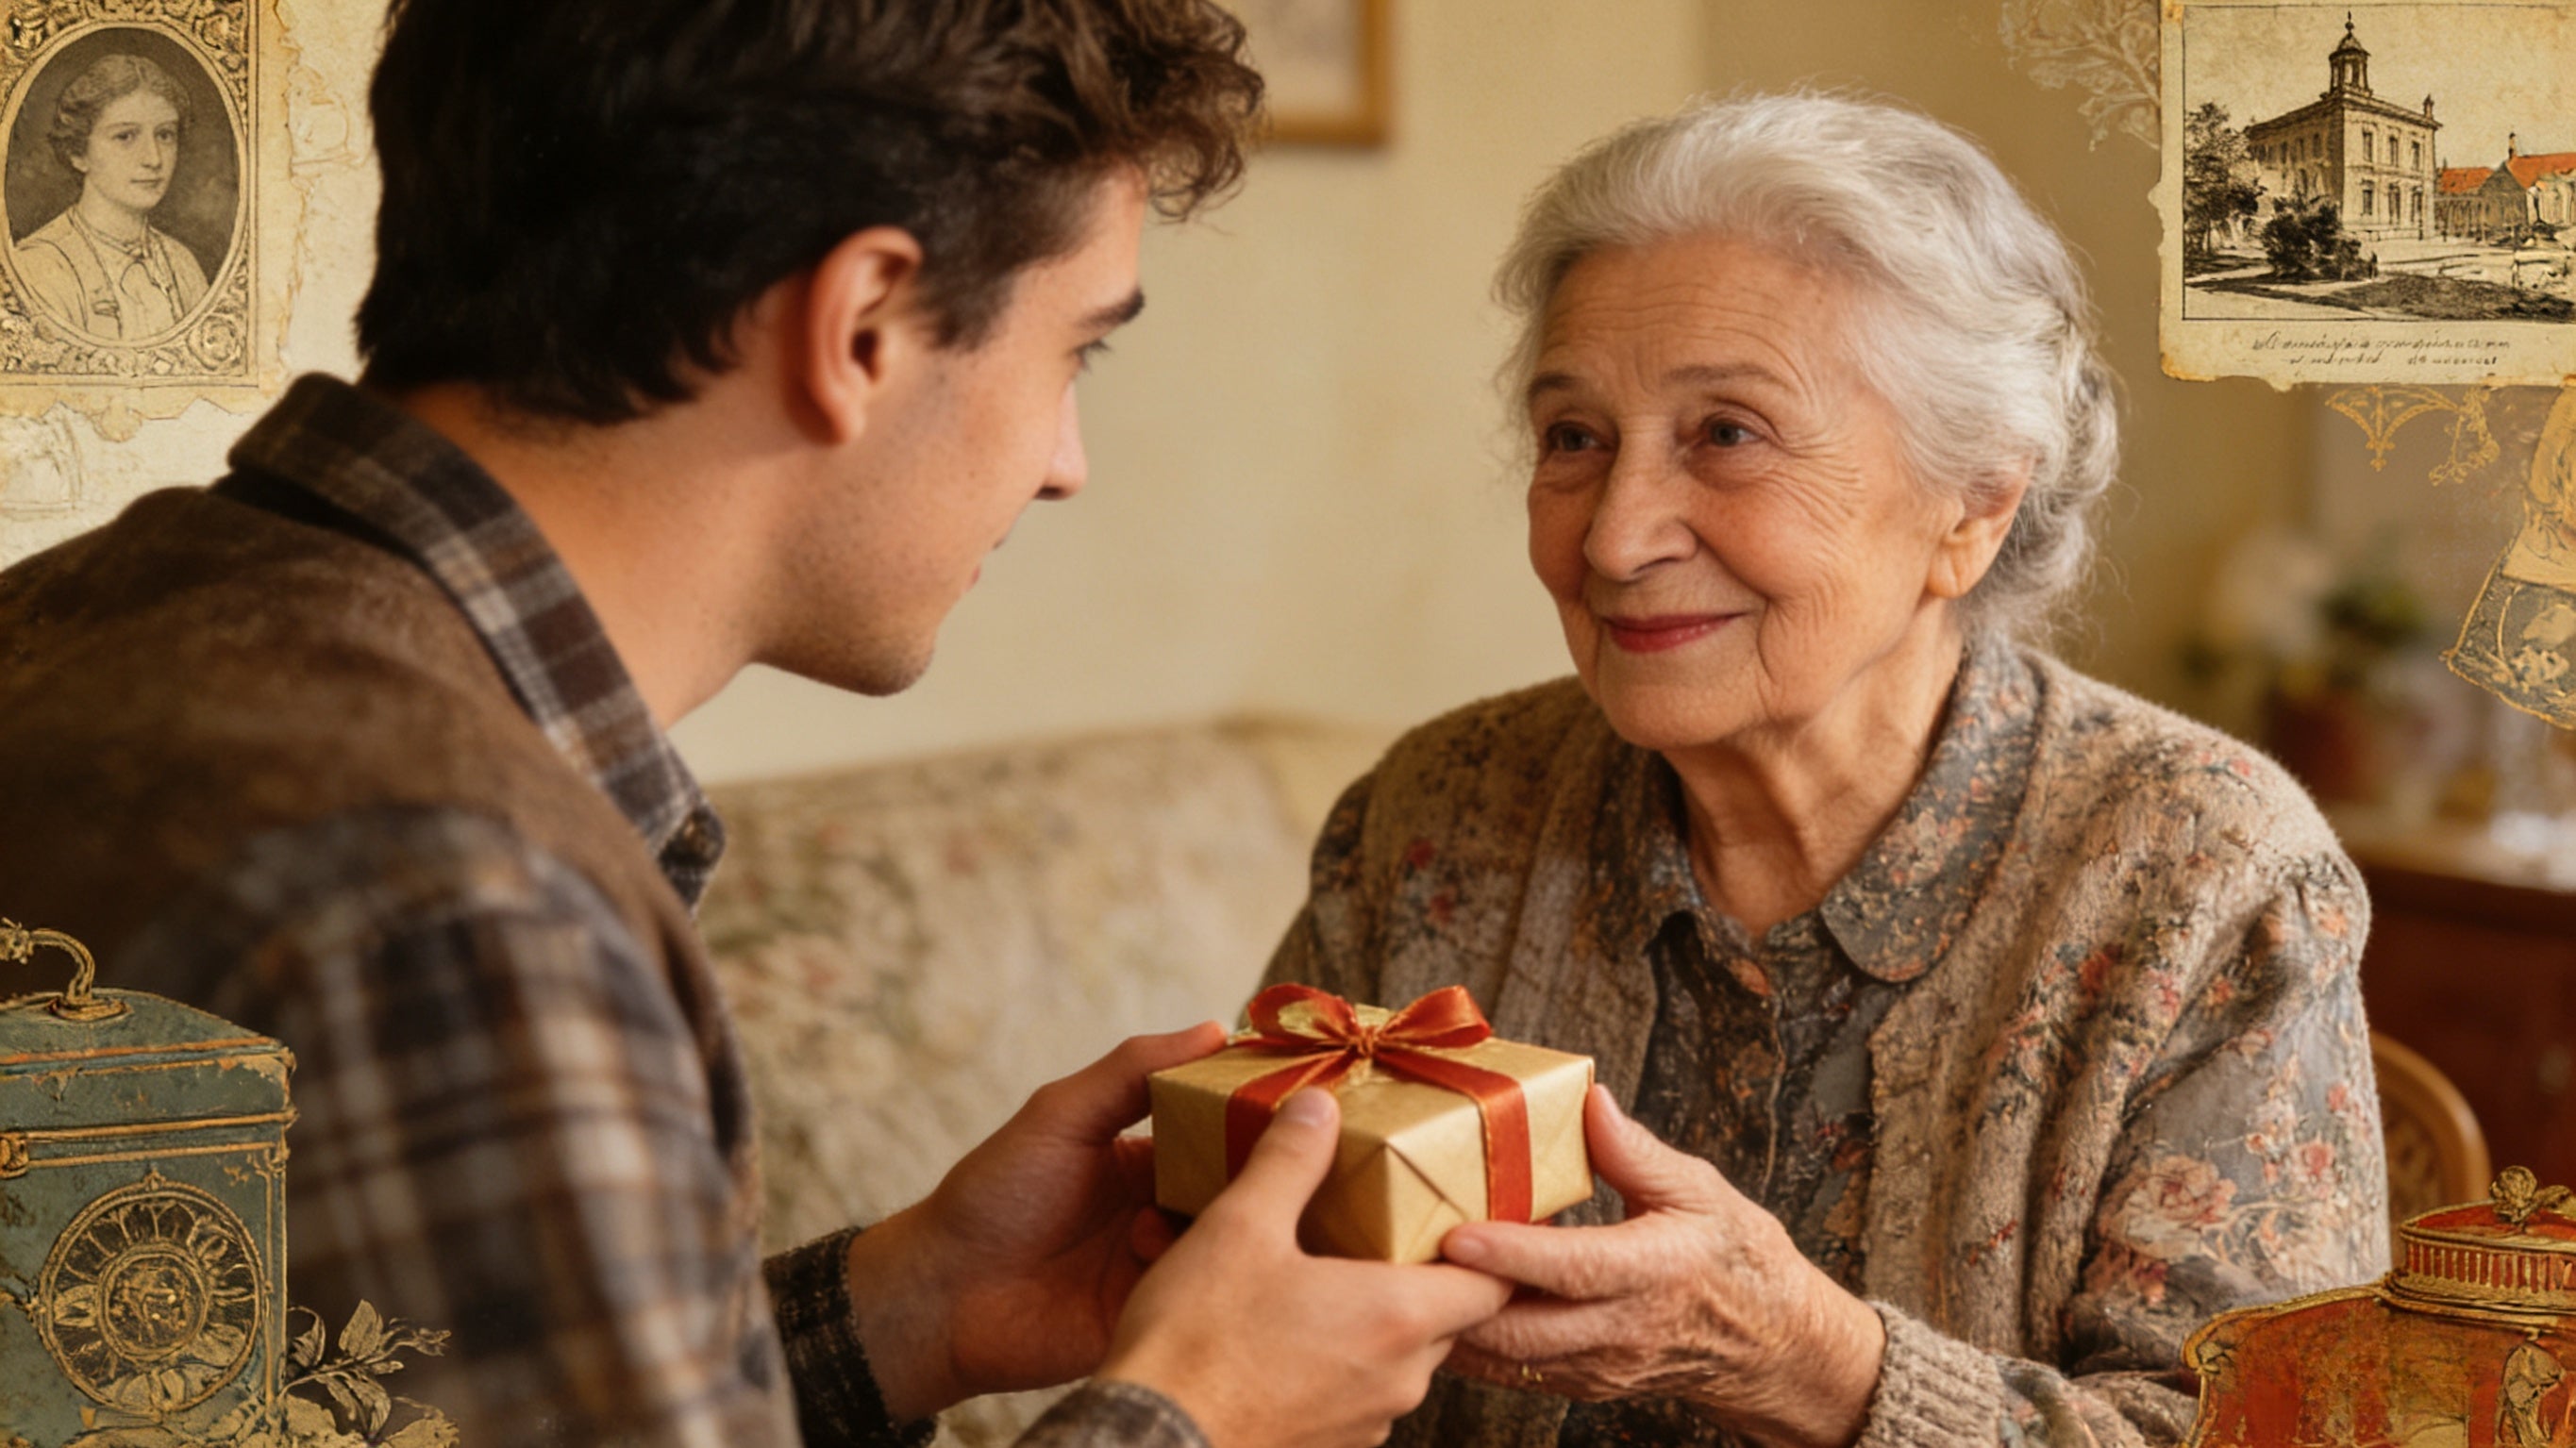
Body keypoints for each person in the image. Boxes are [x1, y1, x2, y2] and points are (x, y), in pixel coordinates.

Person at [0, 2, 1511, 1445]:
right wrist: (1198, 1413)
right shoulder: (452, 899)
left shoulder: (78, 614)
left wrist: (912, 1306)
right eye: (1076, 351)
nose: (1065, 463)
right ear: (858, 325)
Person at [1263, 93, 2388, 1447]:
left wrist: (1808, 1361)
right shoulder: (1435, 811)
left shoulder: (2200, 876)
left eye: (1726, 433)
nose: (1613, 536)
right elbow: (1263, 1309)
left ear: (1973, 504)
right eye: (1574, 437)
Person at [14, 51, 210, 341]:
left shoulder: (183, 265)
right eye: (125, 136)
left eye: (165, 135)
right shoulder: (40, 268)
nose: (153, 159)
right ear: (78, 152)